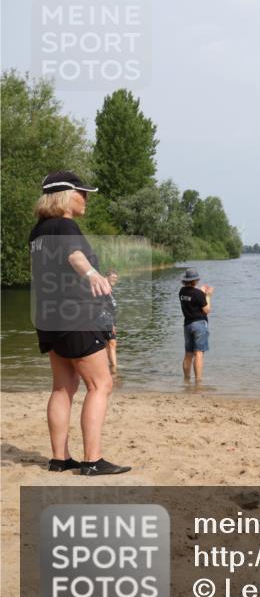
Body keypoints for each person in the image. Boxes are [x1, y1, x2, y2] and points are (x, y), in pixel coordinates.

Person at [29, 171, 131, 475]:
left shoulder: (38, 232)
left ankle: (59, 459)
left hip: (48, 317)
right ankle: (92, 461)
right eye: (82, 193)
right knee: (101, 384)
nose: (86, 199)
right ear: (65, 195)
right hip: (76, 316)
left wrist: (97, 279)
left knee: (62, 387)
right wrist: (92, 275)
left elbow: (58, 270)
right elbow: (75, 257)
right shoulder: (65, 225)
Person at [179, 268, 213, 382]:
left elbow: (192, 295)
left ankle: (186, 379)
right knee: (198, 353)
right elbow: (206, 310)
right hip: (199, 324)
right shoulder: (199, 294)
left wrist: (202, 292)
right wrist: (208, 295)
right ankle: (198, 380)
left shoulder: (182, 292)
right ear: (196, 280)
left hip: (187, 325)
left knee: (188, 354)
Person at [102, 269, 120, 373]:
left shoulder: (109, 289)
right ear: (107, 277)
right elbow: (103, 308)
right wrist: (111, 324)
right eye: (113, 277)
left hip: (109, 321)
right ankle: (114, 369)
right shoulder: (104, 289)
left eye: (116, 278)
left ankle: (109, 367)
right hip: (106, 320)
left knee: (108, 344)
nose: (115, 280)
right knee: (112, 343)